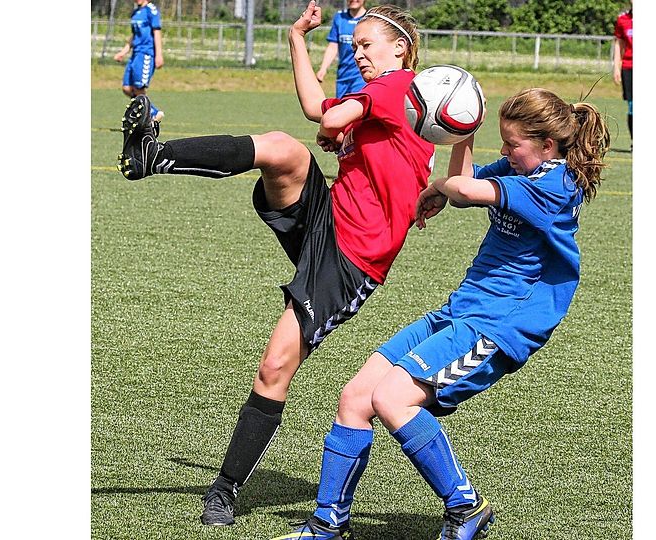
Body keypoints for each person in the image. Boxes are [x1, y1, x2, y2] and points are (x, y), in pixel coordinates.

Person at [117, 1, 432, 528]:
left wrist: (340, 129)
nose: (359, 54)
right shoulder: (385, 97)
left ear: (400, 48)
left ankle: (225, 489)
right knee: (285, 149)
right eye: (354, 46)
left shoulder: (399, 87)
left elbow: (329, 118)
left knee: (275, 366)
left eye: (366, 45)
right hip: (330, 219)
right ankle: (155, 156)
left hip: (353, 261)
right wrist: (295, 37)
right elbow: (318, 110)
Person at [271, 87, 609, 540]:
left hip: (497, 326)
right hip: (461, 310)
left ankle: (465, 505)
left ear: (548, 146)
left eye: (513, 145)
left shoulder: (553, 185)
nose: (506, 153)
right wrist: (460, 143)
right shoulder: (522, 168)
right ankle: (328, 522)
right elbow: (468, 179)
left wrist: (445, 181)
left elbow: (465, 188)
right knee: (355, 397)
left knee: (391, 399)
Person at [114, 0, 165, 124]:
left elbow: (156, 33)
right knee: (127, 88)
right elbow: (134, 35)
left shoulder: (151, 10)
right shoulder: (136, 12)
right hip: (135, 53)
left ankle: (152, 114)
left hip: (146, 53)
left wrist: (159, 55)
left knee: (138, 88)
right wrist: (123, 51)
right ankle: (148, 112)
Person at [315, 0, 367, 98]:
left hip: (360, 76)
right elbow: (333, 46)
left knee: (355, 108)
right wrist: (323, 69)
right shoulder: (339, 18)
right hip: (343, 75)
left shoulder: (369, 19)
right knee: (341, 107)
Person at [612, 0, 632, 146]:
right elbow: (619, 45)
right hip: (629, 67)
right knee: (633, 106)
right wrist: (616, 67)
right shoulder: (623, 20)